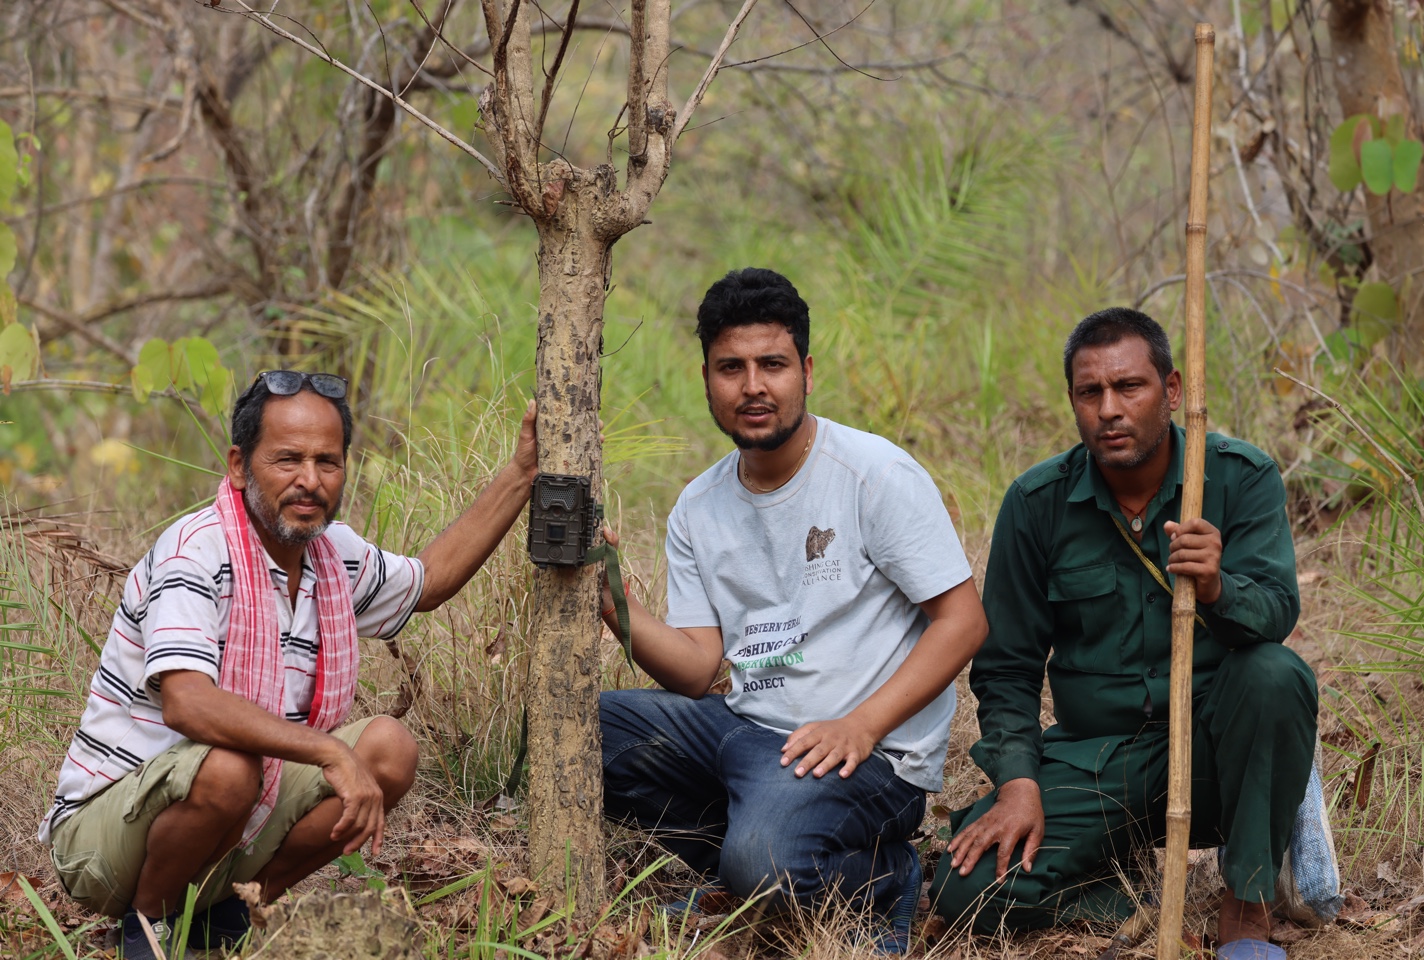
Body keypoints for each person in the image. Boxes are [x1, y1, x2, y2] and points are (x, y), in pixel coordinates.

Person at [40, 370, 538, 959]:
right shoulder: (196, 552)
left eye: (328, 462)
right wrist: (329, 752)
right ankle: (149, 927)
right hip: (103, 842)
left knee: (388, 749)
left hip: (232, 819)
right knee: (231, 767)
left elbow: (428, 583)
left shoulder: (331, 556)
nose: (310, 480)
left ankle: (230, 913)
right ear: (239, 466)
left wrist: (522, 473)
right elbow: (187, 703)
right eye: (287, 459)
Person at [596, 267, 989, 954]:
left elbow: (963, 622)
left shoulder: (873, 475)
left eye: (772, 365)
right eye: (732, 368)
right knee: (586, 729)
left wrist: (861, 725)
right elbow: (696, 670)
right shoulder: (698, 506)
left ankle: (883, 877)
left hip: (869, 756)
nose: (753, 386)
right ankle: (751, 860)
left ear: (806, 371)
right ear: (706, 378)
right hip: (748, 732)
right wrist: (617, 607)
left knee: (766, 861)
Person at [929, 308, 1317, 960]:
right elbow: (1007, 667)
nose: (1109, 409)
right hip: (1096, 757)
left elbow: (1277, 613)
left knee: (1276, 674)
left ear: (1172, 390)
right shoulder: (1037, 502)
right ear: (1073, 401)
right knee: (963, 889)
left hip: (1214, 751)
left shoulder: (1238, 477)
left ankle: (1247, 895)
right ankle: (1137, 901)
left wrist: (1218, 586)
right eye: (1090, 392)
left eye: (1129, 387)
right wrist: (1019, 784)